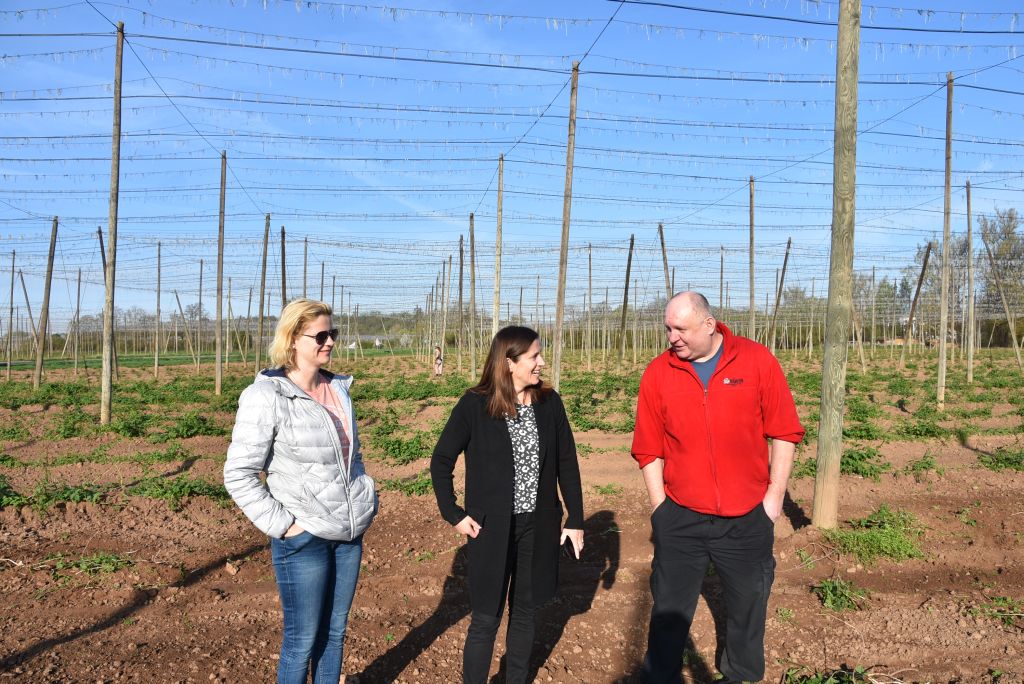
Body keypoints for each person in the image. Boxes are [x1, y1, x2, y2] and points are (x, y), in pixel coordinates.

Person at [631, 292, 804, 684]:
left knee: (748, 605)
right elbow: (648, 447)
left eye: (681, 329)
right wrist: (660, 508)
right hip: (681, 516)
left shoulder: (756, 361)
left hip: (746, 516)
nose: (672, 337)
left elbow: (784, 431)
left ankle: (739, 675)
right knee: (669, 611)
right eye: (668, 328)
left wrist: (774, 498)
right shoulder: (659, 373)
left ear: (709, 325)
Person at [224, 298, 378, 684]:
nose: (330, 342)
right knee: (301, 641)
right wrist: (286, 526)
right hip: (304, 537)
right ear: (293, 338)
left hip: (348, 534)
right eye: (320, 336)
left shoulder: (339, 389)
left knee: (334, 634)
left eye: (332, 333)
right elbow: (239, 474)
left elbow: (352, 457)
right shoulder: (267, 396)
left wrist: (365, 496)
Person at [431, 325, 584, 684]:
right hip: (491, 528)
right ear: (509, 362)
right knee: (486, 619)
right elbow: (441, 460)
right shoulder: (475, 405)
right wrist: (454, 513)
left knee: (526, 613)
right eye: (534, 356)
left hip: (539, 525)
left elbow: (567, 463)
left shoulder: (549, 403)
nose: (541, 362)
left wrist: (575, 518)